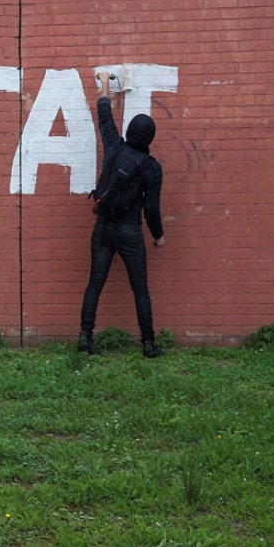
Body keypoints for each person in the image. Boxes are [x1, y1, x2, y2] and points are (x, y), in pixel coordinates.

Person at [78, 72, 165, 358]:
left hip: (103, 226)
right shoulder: (151, 168)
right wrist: (158, 235)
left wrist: (104, 85)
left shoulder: (114, 147)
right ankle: (149, 344)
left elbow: (104, 116)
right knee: (140, 288)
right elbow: (151, 207)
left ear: (129, 131)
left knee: (95, 281)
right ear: (149, 138)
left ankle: (85, 336)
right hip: (129, 231)